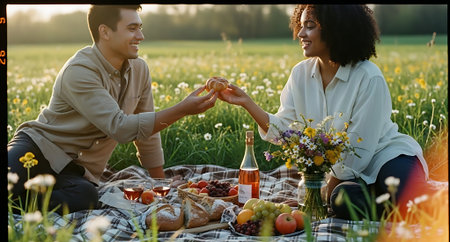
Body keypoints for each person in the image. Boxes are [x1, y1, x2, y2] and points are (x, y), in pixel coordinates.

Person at [218, 4, 433, 220]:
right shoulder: (300, 74)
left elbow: (360, 149)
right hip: (347, 172)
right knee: (341, 199)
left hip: (386, 157)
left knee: (401, 192)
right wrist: (247, 103)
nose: (300, 34)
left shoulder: (368, 77)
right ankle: (399, 207)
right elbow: (286, 131)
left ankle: (420, 201)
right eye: (300, 26)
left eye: (310, 26)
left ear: (335, 29)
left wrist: (324, 190)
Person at [8, 5, 218, 214]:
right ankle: (16, 199)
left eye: (140, 27)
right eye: (132, 28)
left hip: (76, 170)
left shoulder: (140, 69)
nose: (141, 36)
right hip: (37, 147)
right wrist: (181, 109)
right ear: (105, 32)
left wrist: (159, 182)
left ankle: (19, 203)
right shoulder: (79, 71)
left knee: (86, 197)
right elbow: (121, 128)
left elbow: (147, 135)